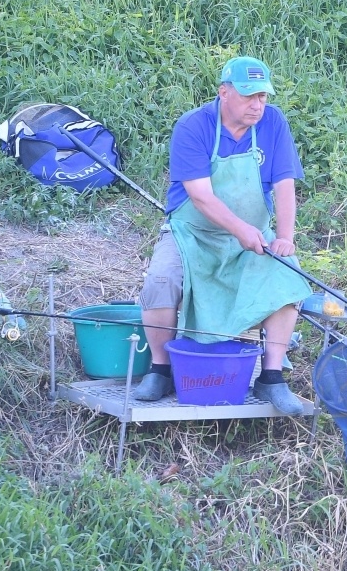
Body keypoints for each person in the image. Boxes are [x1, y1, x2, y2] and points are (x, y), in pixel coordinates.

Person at [133, 56, 313, 414]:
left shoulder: (273, 122)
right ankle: (160, 368)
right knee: (160, 280)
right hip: (192, 233)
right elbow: (200, 196)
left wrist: (284, 236)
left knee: (289, 277)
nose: (258, 105)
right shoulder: (194, 126)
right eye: (249, 96)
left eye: (263, 96)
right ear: (224, 92)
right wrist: (241, 229)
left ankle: (271, 377)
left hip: (253, 238)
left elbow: (285, 184)